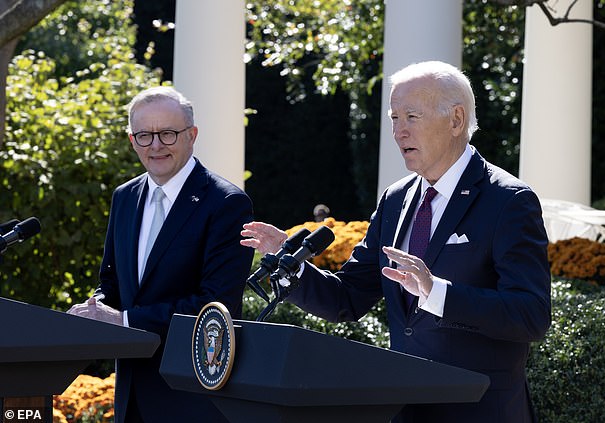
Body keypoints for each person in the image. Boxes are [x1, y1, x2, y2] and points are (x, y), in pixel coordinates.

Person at [241, 61, 551, 423]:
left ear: (456, 120)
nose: (398, 131)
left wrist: (437, 293)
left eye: (411, 117)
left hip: (480, 410)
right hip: (405, 410)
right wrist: (288, 262)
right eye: (393, 117)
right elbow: (348, 298)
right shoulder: (395, 199)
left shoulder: (509, 201)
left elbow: (531, 315)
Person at [68, 86, 254, 423]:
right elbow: (111, 282)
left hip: (192, 398)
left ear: (191, 135)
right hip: (131, 396)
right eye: (144, 135)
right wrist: (92, 311)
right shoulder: (124, 197)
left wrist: (124, 321)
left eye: (167, 133)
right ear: (131, 140)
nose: (155, 145)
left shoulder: (226, 203)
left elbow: (215, 304)